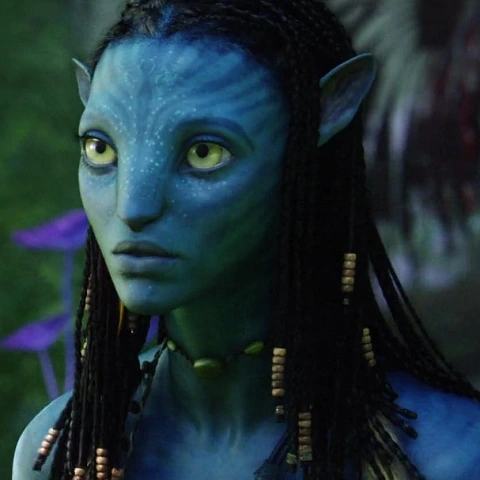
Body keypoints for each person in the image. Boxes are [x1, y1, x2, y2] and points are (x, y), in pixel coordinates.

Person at [13, 1, 480, 479]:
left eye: (203, 153)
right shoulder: (59, 454)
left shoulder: (454, 459)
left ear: (324, 115)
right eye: (100, 148)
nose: (132, 207)